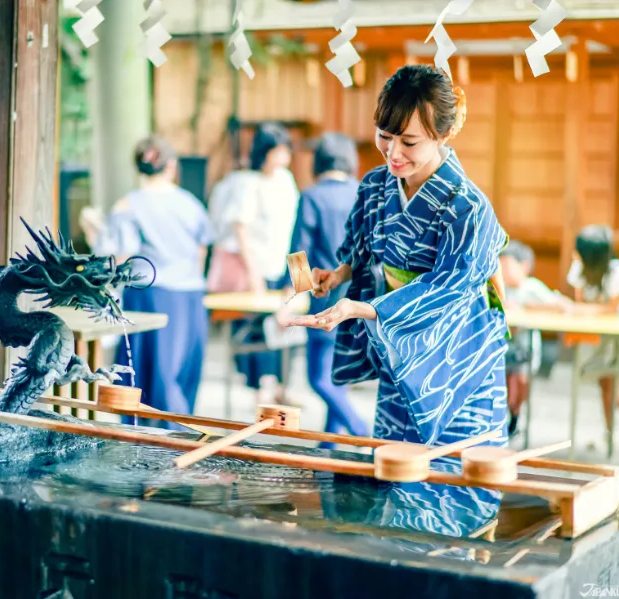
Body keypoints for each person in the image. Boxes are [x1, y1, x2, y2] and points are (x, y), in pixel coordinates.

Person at [288, 64, 509, 449]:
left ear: (444, 134)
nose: (393, 153)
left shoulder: (468, 206)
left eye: (409, 142)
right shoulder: (375, 185)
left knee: (455, 474)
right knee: (395, 463)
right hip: (401, 346)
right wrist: (337, 276)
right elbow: (362, 249)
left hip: (457, 351)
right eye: (385, 136)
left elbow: (448, 288)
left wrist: (363, 309)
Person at [86, 135, 213, 425]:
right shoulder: (190, 204)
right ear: (171, 166)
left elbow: (120, 256)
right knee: (181, 372)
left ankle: (153, 443)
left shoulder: (128, 206)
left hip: (149, 295)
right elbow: (201, 252)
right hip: (190, 295)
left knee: (148, 373)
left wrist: (95, 235)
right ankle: (182, 435)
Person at [276, 133, 369, 440]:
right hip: (361, 302)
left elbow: (298, 253)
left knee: (319, 378)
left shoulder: (313, 197)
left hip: (324, 301)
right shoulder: (363, 194)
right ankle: (331, 451)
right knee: (338, 378)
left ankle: (361, 432)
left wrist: (291, 298)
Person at [207, 122, 300, 405]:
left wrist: (298, 273)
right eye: (279, 150)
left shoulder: (286, 179)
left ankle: (282, 386)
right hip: (258, 264)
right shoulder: (247, 182)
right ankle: (262, 387)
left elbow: (296, 227)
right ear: (266, 152)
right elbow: (241, 230)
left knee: (290, 322)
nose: (285, 156)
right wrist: (254, 273)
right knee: (259, 327)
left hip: (285, 262)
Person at [566, 225, 619, 450]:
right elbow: (581, 303)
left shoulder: (618, 273)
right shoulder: (579, 268)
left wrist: (586, 309)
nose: (575, 255)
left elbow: (612, 309)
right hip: (597, 336)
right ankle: (609, 434)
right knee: (605, 388)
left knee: (613, 391)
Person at [499, 240, 570, 435]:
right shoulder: (499, 287)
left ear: (525, 267)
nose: (503, 271)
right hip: (504, 348)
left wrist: (530, 307)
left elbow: (561, 305)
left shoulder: (531, 287)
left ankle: (516, 413)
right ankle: (506, 416)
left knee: (521, 381)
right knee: (504, 382)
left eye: (507, 266)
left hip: (526, 349)